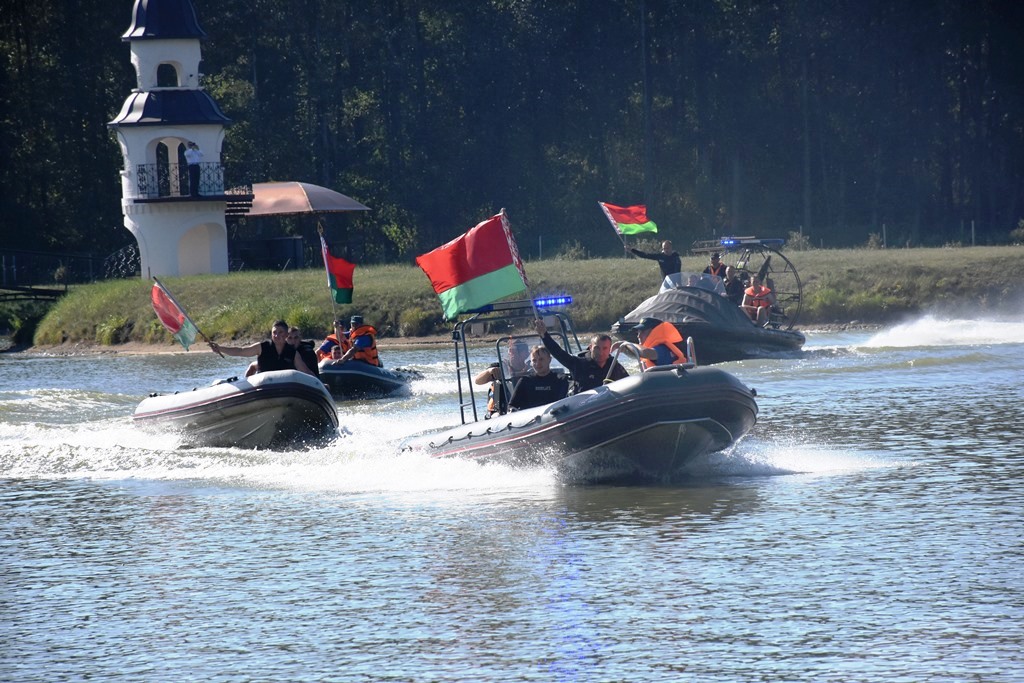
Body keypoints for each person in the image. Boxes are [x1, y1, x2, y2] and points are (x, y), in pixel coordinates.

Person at [534, 318, 628, 394]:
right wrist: (544, 335)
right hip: (584, 407)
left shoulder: (614, 365)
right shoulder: (579, 364)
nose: (600, 352)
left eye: (604, 348)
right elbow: (558, 353)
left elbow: (630, 382)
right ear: (590, 348)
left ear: (609, 349)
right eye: (597, 348)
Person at [209, 319, 316, 377]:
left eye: (280, 332)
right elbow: (241, 351)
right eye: (274, 333)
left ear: (286, 335)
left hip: (284, 388)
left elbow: (305, 371)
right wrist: (220, 348)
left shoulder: (293, 353)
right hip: (264, 386)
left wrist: (320, 384)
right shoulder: (262, 347)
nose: (277, 335)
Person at [474, 338, 532, 415]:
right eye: (510, 351)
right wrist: (489, 371)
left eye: (514, 351)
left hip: (525, 407)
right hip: (502, 410)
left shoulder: (531, 368)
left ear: (525, 354)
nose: (511, 354)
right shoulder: (501, 367)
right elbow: (478, 381)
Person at [507, 346, 569, 411]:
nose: (537, 363)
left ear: (549, 360)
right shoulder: (524, 381)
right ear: (531, 362)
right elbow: (511, 405)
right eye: (534, 360)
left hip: (554, 416)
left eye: (541, 359)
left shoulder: (560, 380)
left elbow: (562, 403)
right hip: (530, 418)